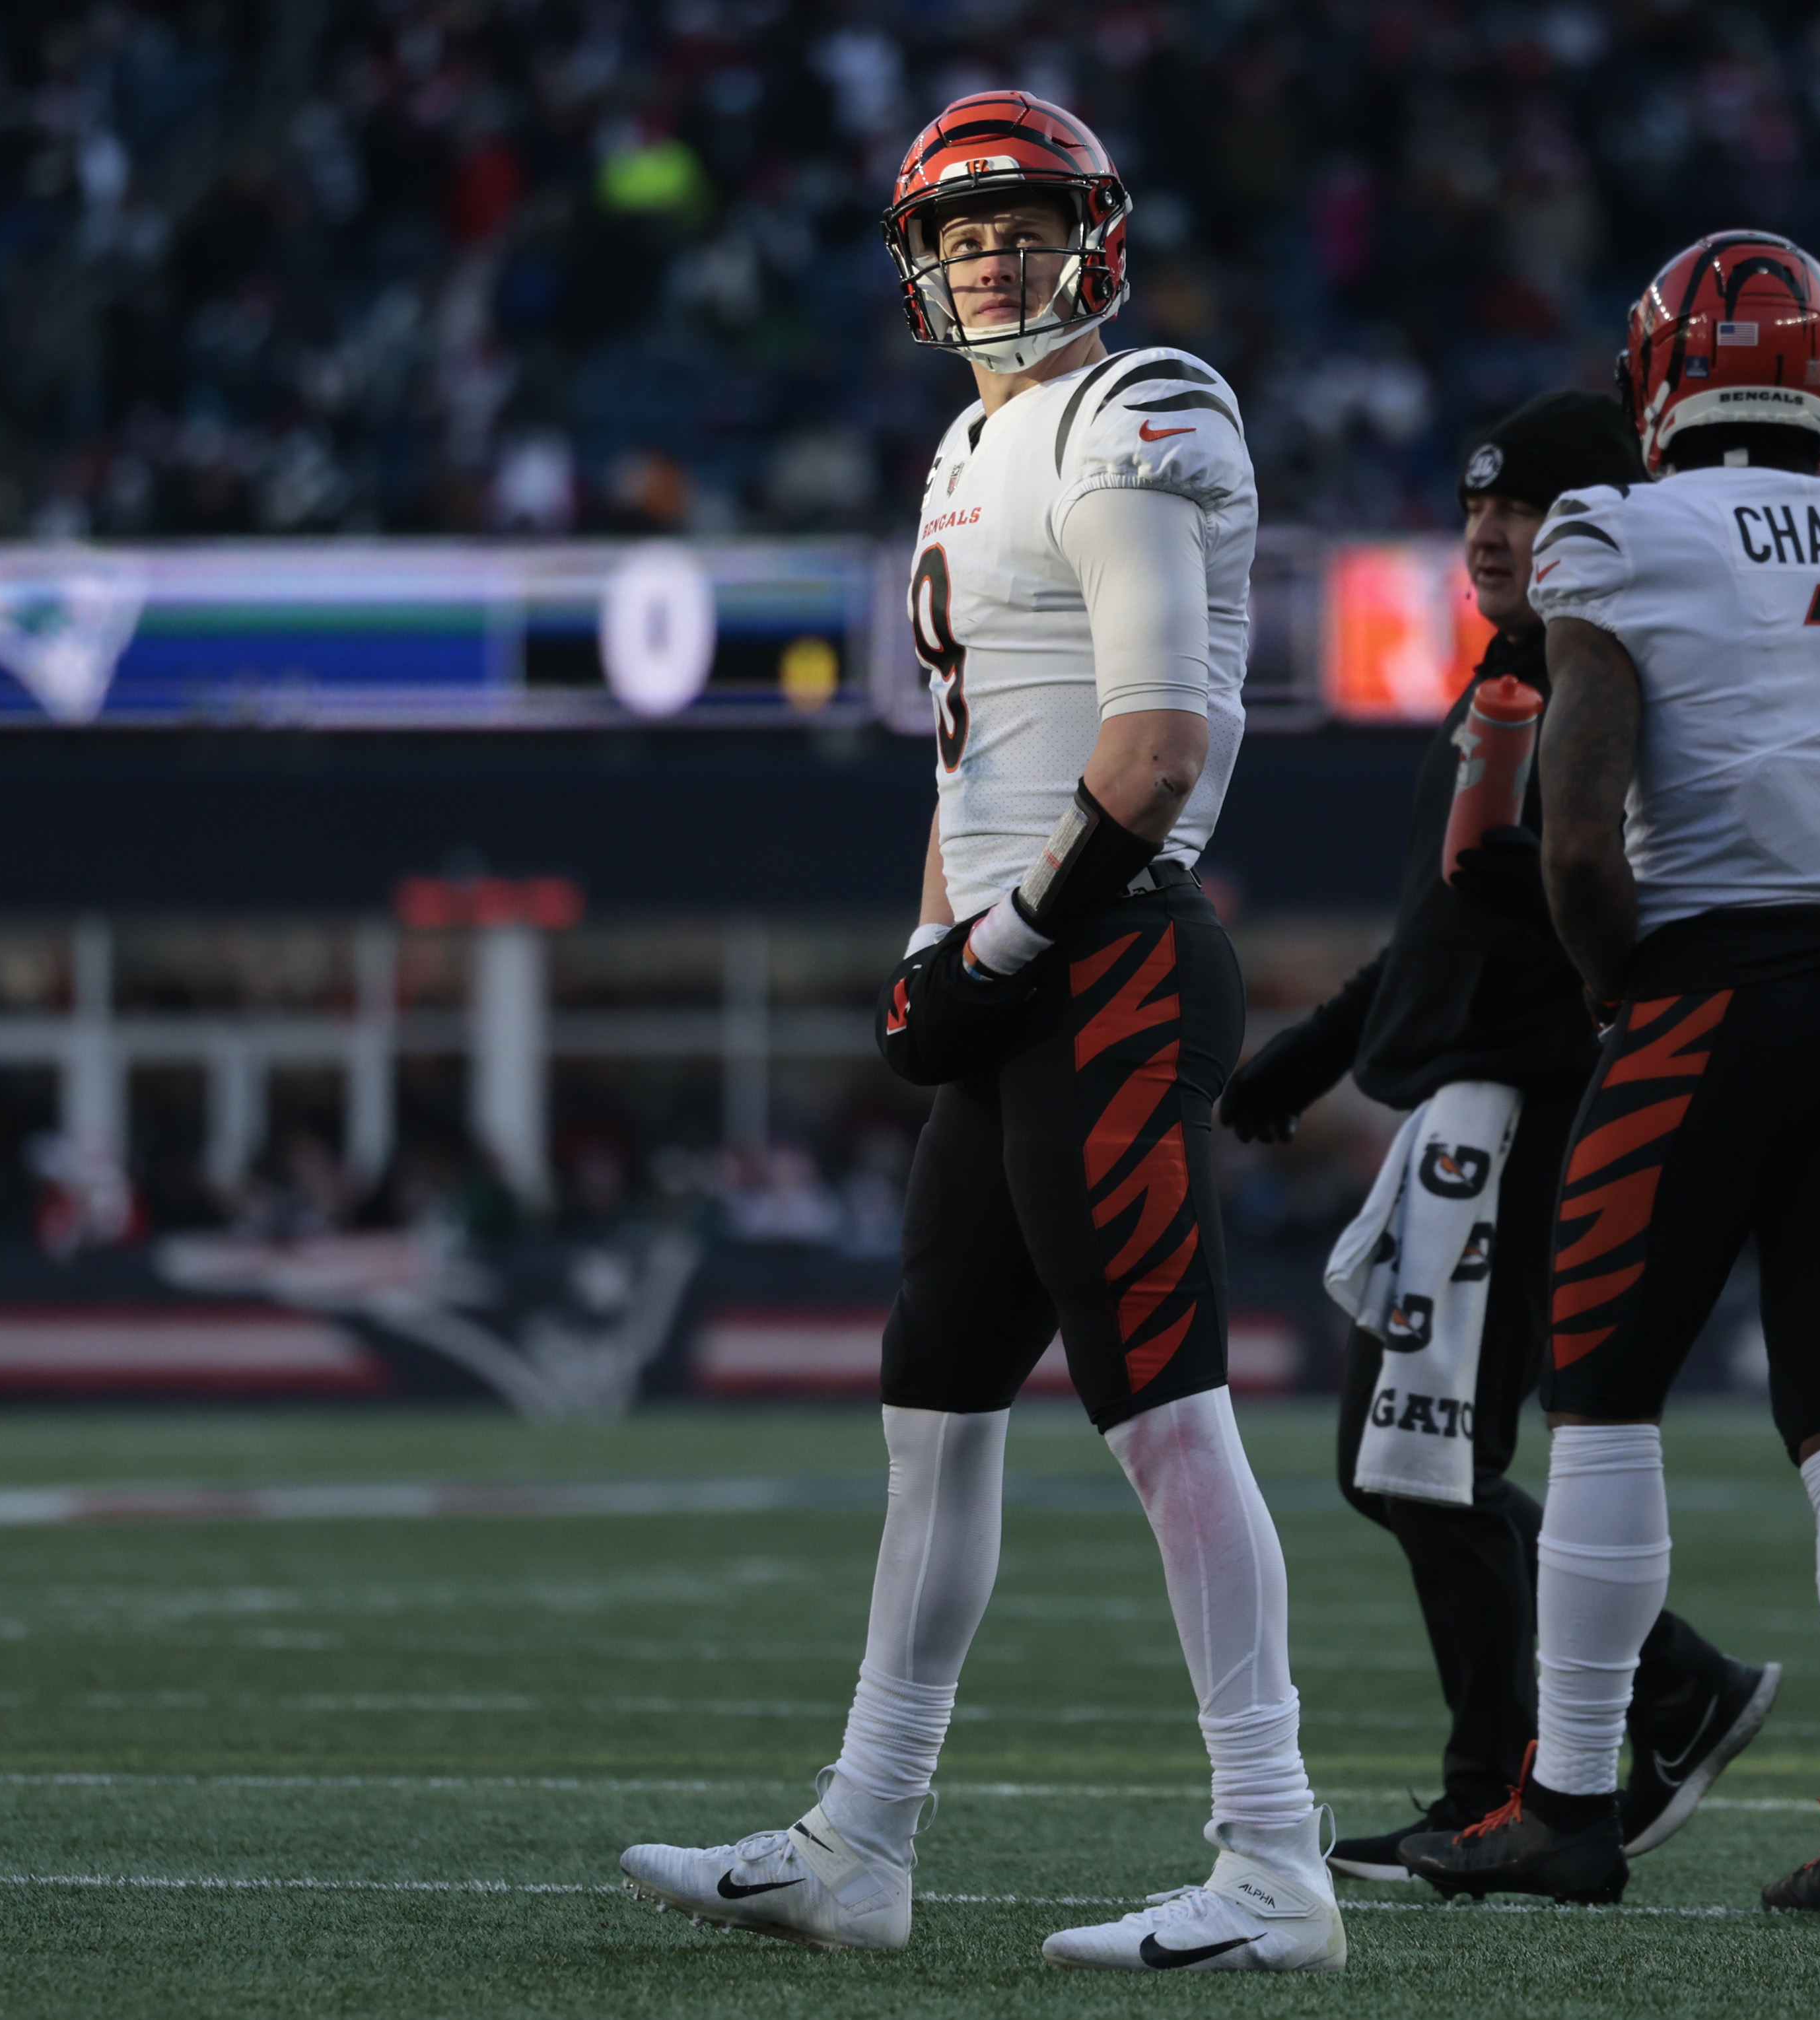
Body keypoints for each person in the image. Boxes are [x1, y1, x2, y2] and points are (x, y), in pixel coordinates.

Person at [620, 92, 1345, 1974]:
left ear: (1093, 233)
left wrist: (1000, 945)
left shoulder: (1134, 408)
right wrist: (928, 946)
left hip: (1103, 956)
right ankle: (860, 1840)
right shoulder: (961, 448)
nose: (992, 256)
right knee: (930, 1416)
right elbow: (976, 759)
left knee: (1163, 1416)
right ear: (917, 264)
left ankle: (1274, 1859)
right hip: (1022, 963)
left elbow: (1151, 743)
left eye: (1023, 222)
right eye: (959, 233)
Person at [1397, 231, 1820, 1914]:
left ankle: (1571, 1805)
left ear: (1655, 379)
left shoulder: (1617, 528)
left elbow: (1580, 841)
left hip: (1703, 984)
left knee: (1604, 1401)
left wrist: (1631, 997)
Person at [1218, 391, 1780, 1897]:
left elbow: (1589, 908)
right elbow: (1445, 934)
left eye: (1527, 509)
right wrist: (1317, 1053)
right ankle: (1628, 1711)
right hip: (1457, 1106)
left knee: (1428, 1466)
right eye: (1479, 507)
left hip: (1516, 1109)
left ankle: (1569, 1751)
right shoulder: (1517, 671)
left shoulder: (1610, 674)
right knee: (1401, 1461)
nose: (1489, 532)